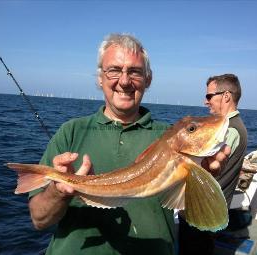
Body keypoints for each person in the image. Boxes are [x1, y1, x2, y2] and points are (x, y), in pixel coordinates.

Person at [28, 33, 230, 255]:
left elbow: (187, 215)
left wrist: (202, 179)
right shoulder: (71, 132)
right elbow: (39, 220)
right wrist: (59, 191)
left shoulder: (166, 134)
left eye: (135, 72)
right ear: (100, 78)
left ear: (148, 79)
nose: (124, 81)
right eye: (114, 70)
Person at [178, 74, 248, 255]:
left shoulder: (229, 129)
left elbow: (207, 167)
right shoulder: (236, 125)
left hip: (201, 213)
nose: (205, 101)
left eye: (209, 96)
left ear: (226, 96)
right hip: (209, 212)